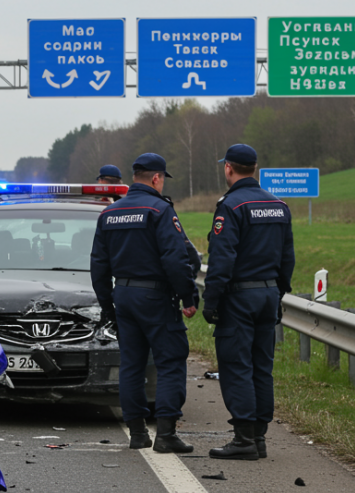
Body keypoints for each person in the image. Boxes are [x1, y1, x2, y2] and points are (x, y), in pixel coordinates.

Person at [90, 153, 198, 454]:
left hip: (123, 296)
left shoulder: (109, 214)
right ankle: (166, 434)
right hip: (156, 297)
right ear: (156, 178)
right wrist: (188, 297)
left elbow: (98, 265)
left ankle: (137, 433)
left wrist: (108, 306)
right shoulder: (160, 210)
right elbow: (176, 259)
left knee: (132, 365)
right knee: (170, 361)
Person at [202, 144, 295, 461]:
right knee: (261, 367)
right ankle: (259, 437)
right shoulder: (279, 206)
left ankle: (243, 439)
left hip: (239, 297)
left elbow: (222, 259)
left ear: (228, 168)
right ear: (254, 168)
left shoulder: (230, 206)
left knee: (236, 366)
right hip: (268, 294)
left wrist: (211, 300)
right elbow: (287, 259)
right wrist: (277, 293)